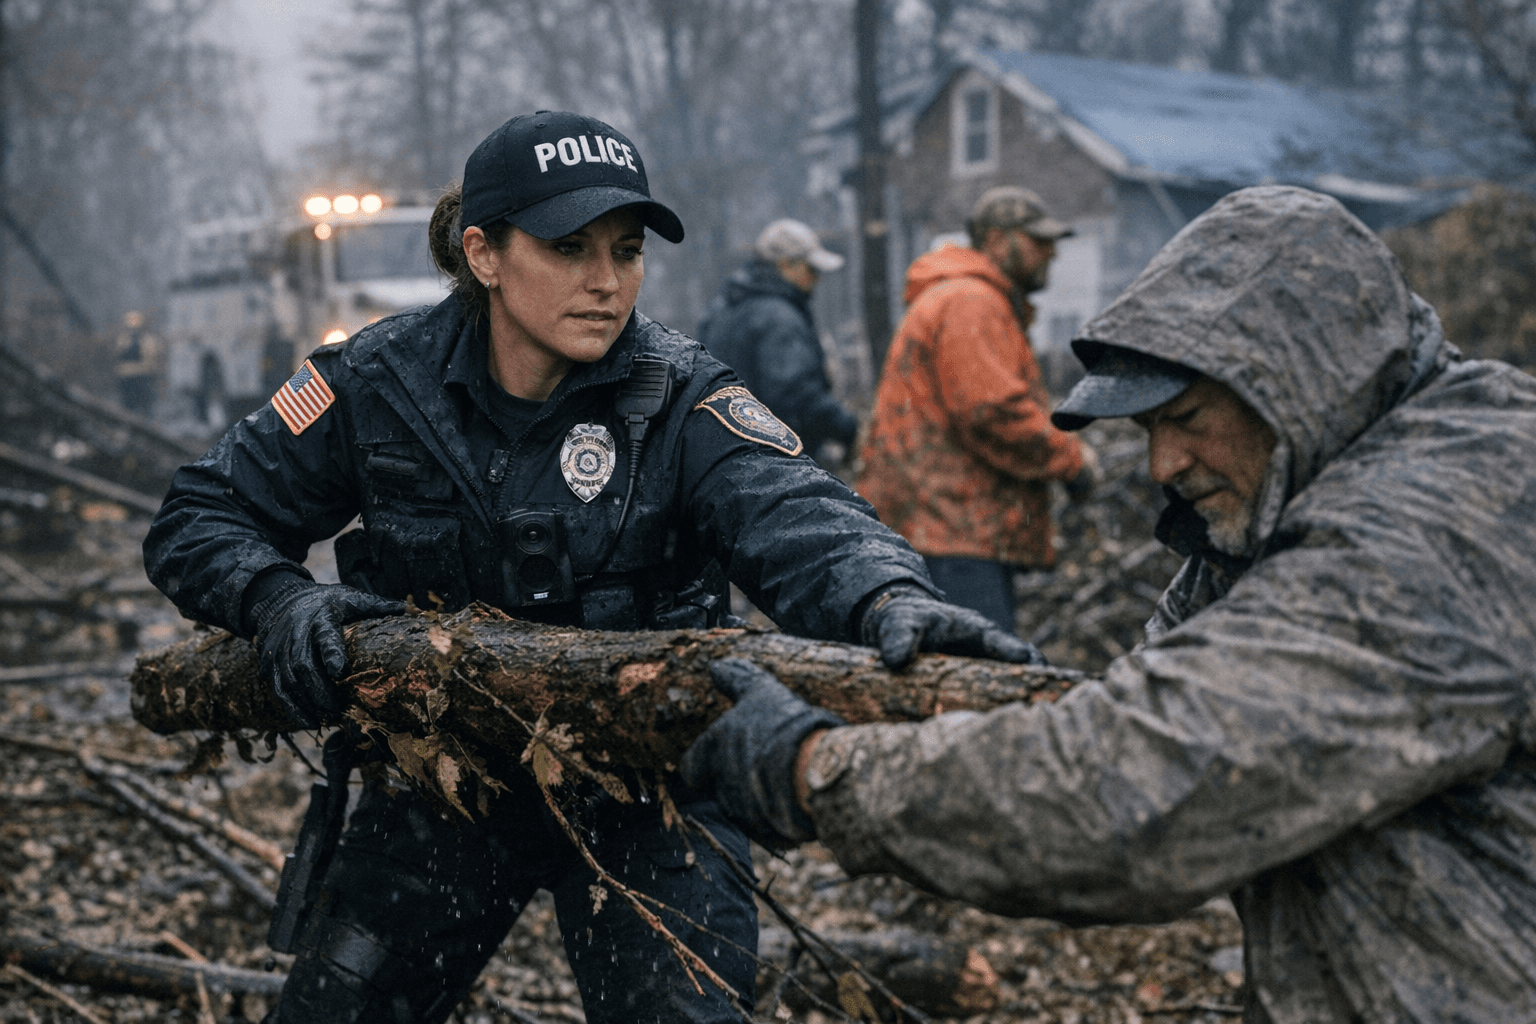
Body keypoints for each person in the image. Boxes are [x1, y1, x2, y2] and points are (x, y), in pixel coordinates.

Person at [142, 110, 1042, 1024]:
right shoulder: (380, 381)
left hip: (649, 789)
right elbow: (200, 514)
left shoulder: (682, 394)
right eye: (569, 248)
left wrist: (888, 597)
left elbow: (800, 513)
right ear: (484, 253)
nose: (606, 283)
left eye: (627, 250)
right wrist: (277, 599)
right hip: (446, 778)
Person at [682, 185, 1536, 1023]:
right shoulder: (1297, 487)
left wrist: (819, 771)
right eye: (1147, 429)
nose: (1162, 464)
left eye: (1189, 415)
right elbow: (1128, 709)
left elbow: (1142, 787)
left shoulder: (1448, 512)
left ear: (1303, 383)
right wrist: (950, 704)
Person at [855, 186, 1090, 633]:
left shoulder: (966, 297)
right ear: (998, 240)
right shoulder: (971, 301)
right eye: (1039, 240)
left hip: (939, 525)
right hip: (950, 532)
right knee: (979, 677)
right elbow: (990, 411)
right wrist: (1072, 460)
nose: (1051, 254)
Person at [696, 218, 857, 463]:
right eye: (811, 269)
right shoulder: (780, 319)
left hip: (725, 455)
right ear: (786, 265)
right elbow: (797, 395)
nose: (816, 279)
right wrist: (848, 429)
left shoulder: (723, 308)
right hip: (775, 459)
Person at [114, 310, 161, 416]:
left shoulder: (148, 339)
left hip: (142, 378)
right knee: (128, 408)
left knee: (143, 408)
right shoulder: (123, 339)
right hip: (128, 378)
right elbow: (118, 355)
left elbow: (152, 359)